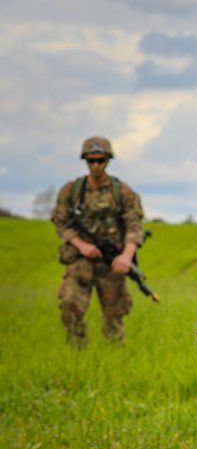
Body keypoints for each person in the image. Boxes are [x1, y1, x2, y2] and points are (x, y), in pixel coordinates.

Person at [51, 136, 145, 347]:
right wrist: (81, 245)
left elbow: (134, 226)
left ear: (107, 160)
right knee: (69, 305)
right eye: (91, 160)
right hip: (80, 261)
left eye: (100, 160)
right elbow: (60, 221)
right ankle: (77, 354)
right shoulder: (72, 191)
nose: (96, 165)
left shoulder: (122, 192)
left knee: (114, 317)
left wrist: (126, 257)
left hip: (111, 264)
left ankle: (114, 357)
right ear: (85, 160)